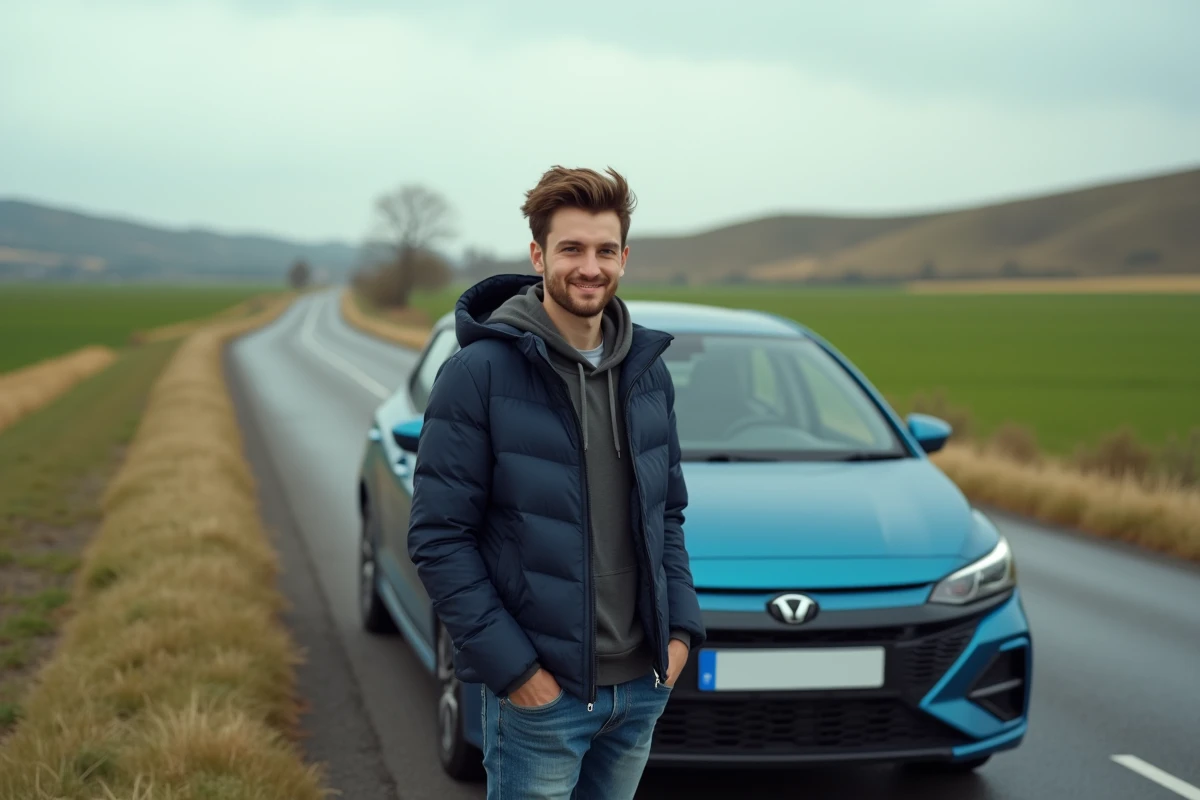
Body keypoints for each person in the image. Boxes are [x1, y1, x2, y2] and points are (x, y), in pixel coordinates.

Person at [407, 165, 705, 799]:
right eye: (571, 248)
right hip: (543, 697)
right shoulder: (477, 375)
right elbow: (439, 537)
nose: (588, 267)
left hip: (640, 690)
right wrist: (519, 676)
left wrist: (678, 635)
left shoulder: (649, 374)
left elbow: (668, 517)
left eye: (604, 250)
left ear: (624, 257)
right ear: (538, 255)